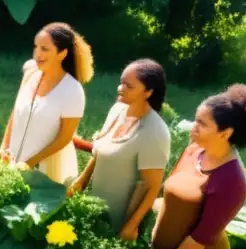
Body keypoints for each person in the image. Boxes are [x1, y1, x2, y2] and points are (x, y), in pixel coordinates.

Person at [152, 84, 246, 249]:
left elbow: (202, 237)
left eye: (202, 124)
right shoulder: (194, 150)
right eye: (196, 120)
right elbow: (169, 191)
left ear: (225, 133)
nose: (194, 126)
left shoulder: (231, 181)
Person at [68, 59, 170, 237]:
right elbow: (101, 153)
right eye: (121, 82)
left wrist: (130, 227)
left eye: (129, 86)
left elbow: (151, 187)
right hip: (91, 208)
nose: (120, 88)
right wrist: (79, 183)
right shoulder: (118, 110)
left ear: (148, 92)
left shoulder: (155, 132)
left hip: (118, 218)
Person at [0, 22, 92, 185]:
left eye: (45, 49)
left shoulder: (72, 90)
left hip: (48, 170)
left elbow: (64, 138)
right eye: (36, 47)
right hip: (13, 161)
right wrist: (3, 147)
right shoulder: (30, 72)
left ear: (62, 53)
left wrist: (30, 162)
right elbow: (16, 114)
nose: (37, 54)